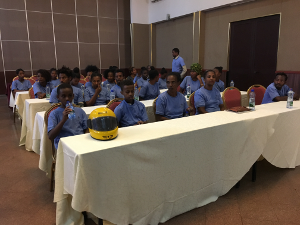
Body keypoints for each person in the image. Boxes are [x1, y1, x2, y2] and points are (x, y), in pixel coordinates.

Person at [47, 83, 89, 149]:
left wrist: (84, 139)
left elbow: (87, 128)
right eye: (63, 96)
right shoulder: (54, 114)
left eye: (70, 96)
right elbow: (50, 136)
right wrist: (63, 120)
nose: (67, 98)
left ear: (73, 96)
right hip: (64, 145)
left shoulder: (80, 111)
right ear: (58, 97)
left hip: (80, 142)